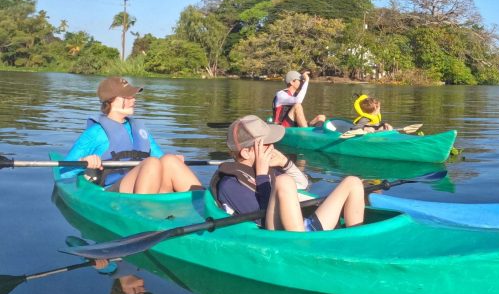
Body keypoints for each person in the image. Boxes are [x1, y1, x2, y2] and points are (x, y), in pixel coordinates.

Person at [211, 114, 365, 232]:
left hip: (304, 228)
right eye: (267, 144)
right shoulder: (230, 185)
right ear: (246, 152)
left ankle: (355, 239)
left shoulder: (267, 169)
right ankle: (301, 248)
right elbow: (261, 219)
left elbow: (304, 185)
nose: (273, 147)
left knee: (353, 182)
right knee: (284, 181)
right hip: (281, 237)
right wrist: (262, 177)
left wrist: (285, 163)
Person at [65, 76, 201, 194]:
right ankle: (143, 212)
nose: (133, 100)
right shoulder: (95, 133)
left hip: (147, 187)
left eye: (133, 96)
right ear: (110, 101)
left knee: (170, 160)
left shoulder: (140, 130)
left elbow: (161, 159)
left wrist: (175, 159)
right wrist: (84, 161)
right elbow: (64, 172)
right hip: (113, 193)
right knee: (152, 163)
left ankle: (207, 206)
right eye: (126, 97)